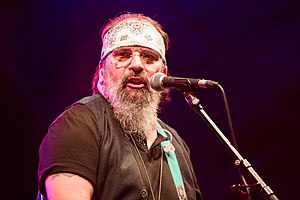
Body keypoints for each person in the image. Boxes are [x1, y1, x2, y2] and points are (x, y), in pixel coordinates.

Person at [37, 12, 202, 200]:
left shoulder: (176, 145)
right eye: (123, 55)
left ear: (163, 74)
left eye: (149, 57)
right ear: (101, 72)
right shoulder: (78, 125)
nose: (137, 65)